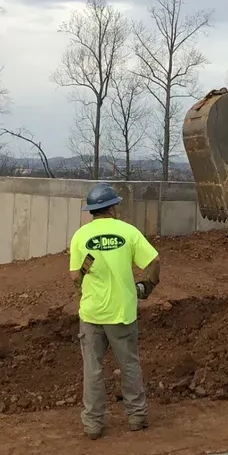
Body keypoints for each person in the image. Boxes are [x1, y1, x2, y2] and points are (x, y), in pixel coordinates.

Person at [69, 183, 160, 440]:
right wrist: (146, 287)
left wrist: (87, 277)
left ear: (92, 211)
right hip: (122, 312)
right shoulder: (128, 232)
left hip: (92, 313)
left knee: (93, 368)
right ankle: (137, 416)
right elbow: (154, 261)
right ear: (112, 207)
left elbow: (76, 275)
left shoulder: (80, 237)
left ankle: (93, 425)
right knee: (129, 363)